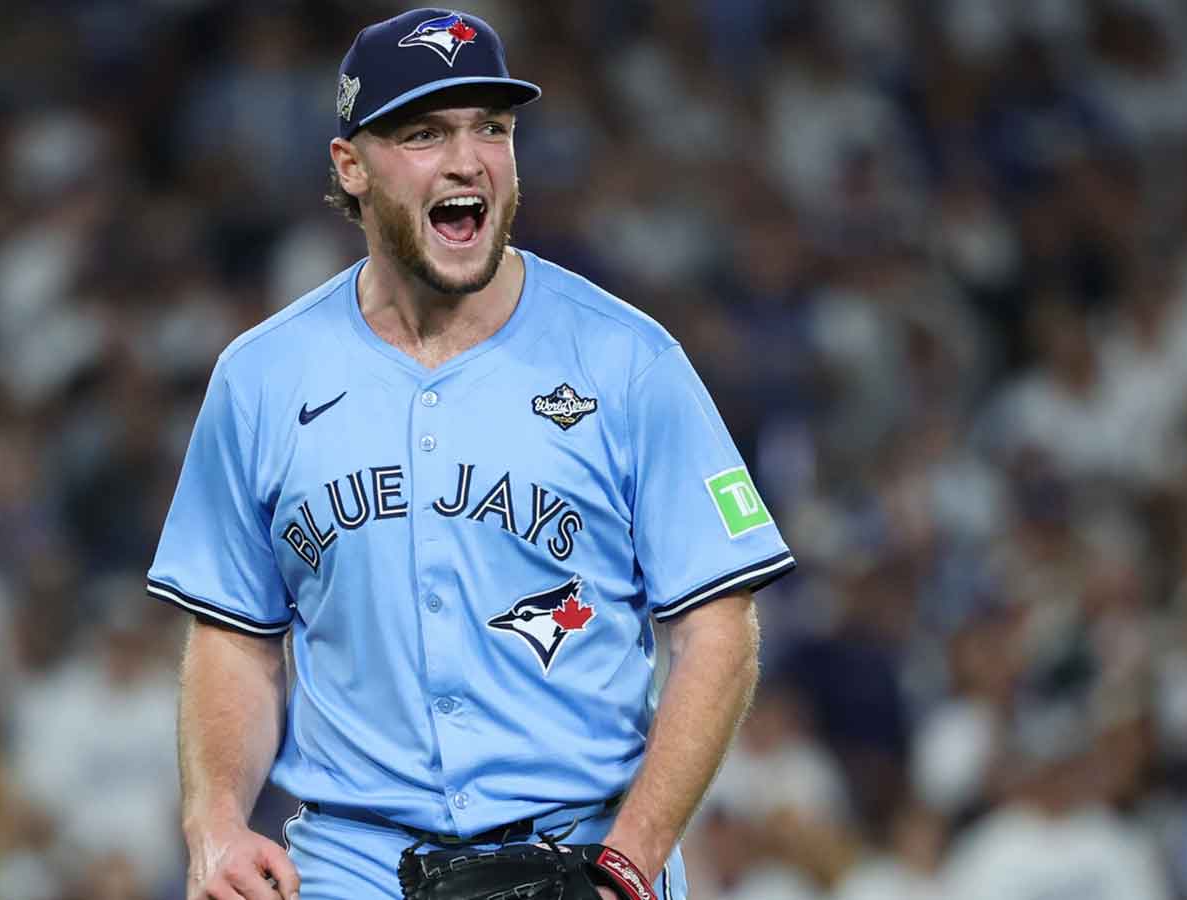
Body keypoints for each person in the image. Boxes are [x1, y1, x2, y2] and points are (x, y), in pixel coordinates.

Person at [145, 9, 796, 900]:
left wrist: (633, 856)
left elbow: (717, 627)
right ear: (351, 165)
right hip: (353, 864)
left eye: (491, 127)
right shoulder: (261, 377)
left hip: (583, 852)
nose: (467, 160)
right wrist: (216, 820)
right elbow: (237, 637)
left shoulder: (627, 361)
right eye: (424, 134)